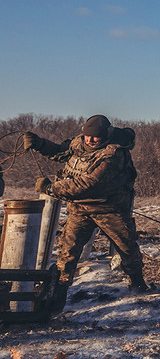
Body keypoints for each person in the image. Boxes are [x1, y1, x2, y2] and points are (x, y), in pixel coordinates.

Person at [23, 114, 147, 312]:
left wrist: (51, 189)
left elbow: (88, 184)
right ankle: (56, 301)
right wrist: (39, 144)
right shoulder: (79, 143)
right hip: (80, 209)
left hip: (110, 209)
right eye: (87, 136)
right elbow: (60, 152)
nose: (90, 140)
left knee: (127, 249)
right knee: (67, 253)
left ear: (106, 135)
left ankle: (138, 286)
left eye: (95, 137)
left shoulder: (113, 154)